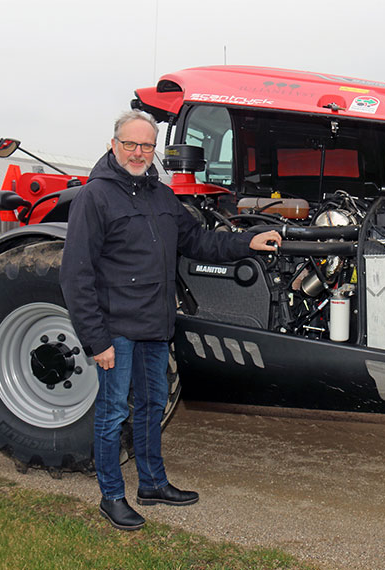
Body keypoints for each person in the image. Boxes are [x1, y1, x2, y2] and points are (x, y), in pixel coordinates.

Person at [60, 110, 281, 531]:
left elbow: (199, 240)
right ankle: (111, 496)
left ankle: (153, 484)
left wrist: (246, 241)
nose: (139, 152)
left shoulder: (161, 196)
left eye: (147, 146)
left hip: (155, 328)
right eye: (131, 144)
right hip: (117, 330)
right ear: (114, 145)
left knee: (150, 407)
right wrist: (97, 340)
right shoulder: (95, 197)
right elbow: (75, 275)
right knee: (111, 415)